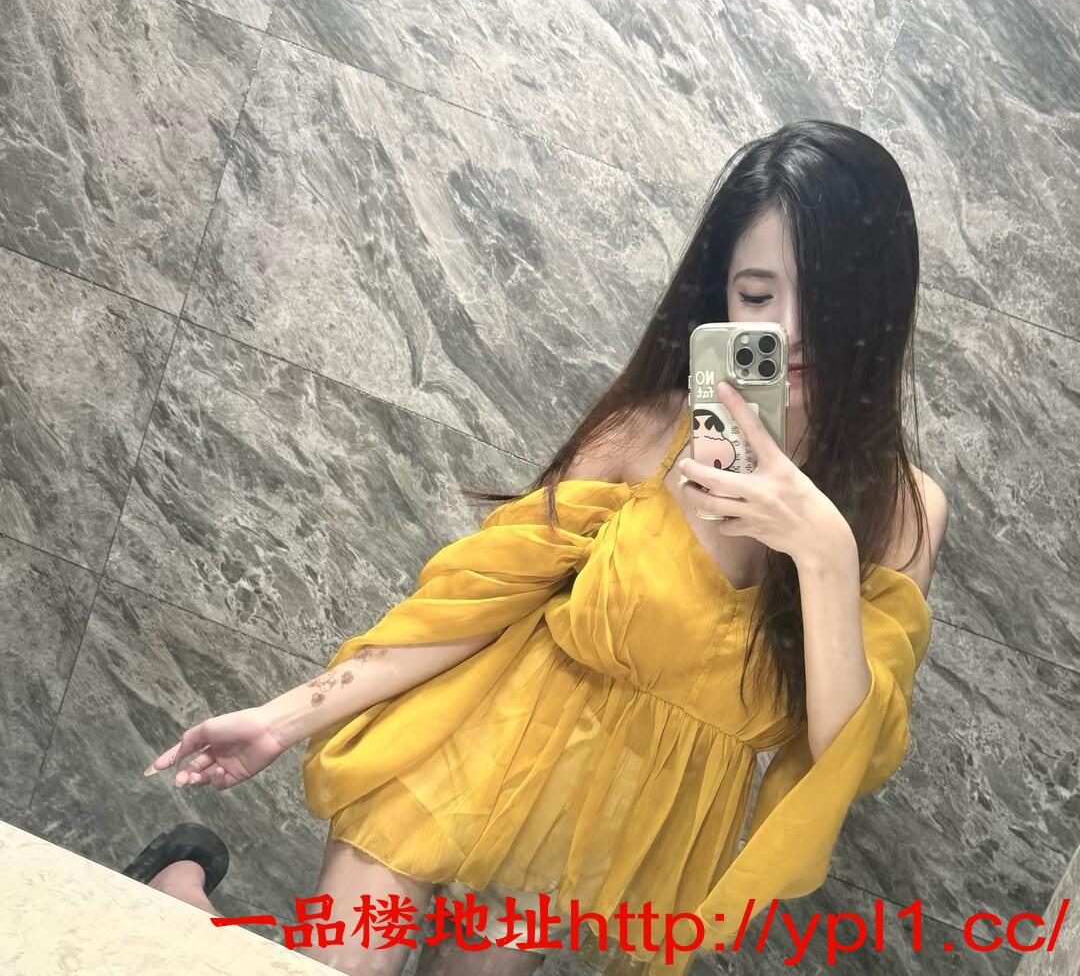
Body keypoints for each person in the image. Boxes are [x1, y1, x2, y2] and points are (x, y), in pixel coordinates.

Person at [136, 119, 950, 976]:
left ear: (877, 301)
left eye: (821, 295)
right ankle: (177, 891)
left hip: (600, 831)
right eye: (755, 295)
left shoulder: (900, 513)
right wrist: (279, 719)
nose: (786, 331)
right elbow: (476, 603)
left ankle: (177, 895)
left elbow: (844, 754)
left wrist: (822, 553)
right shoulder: (651, 430)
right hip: (469, 738)